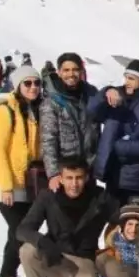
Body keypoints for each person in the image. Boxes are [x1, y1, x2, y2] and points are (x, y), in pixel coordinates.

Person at [16, 156, 120, 277]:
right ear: (61, 179)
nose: (74, 184)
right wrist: (43, 242)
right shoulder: (47, 197)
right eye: (69, 178)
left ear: (86, 178)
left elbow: (120, 217)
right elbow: (22, 229)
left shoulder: (100, 197)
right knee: (27, 250)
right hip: (54, 253)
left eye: (78, 178)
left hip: (82, 257)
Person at [0, 64, 45, 277]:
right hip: (12, 184)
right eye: (28, 83)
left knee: (19, 235)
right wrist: (6, 186)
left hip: (32, 183)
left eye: (37, 83)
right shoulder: (4, 111)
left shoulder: (36, 109)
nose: (33, 87)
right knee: (19, 234)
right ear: (18, 86)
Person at [89, 59, 139, 204]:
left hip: (136, 179)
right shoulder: (117, 95)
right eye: (126, 77)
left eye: (131, 78)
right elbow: (92, 112)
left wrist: (120, 147)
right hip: (112, 173)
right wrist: (106, 92)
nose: (126, 82)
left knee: (131, 222)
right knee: (112, 221)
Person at [40, 52, 99, 192]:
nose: (71, 74)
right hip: (65, 172)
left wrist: (110, 90)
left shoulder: (90, 95)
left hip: (88, 168)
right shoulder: (52, 101)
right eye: (66, 70)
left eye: (75, 69)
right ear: (59, 72)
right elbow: (48, 140)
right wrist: (53, 173)